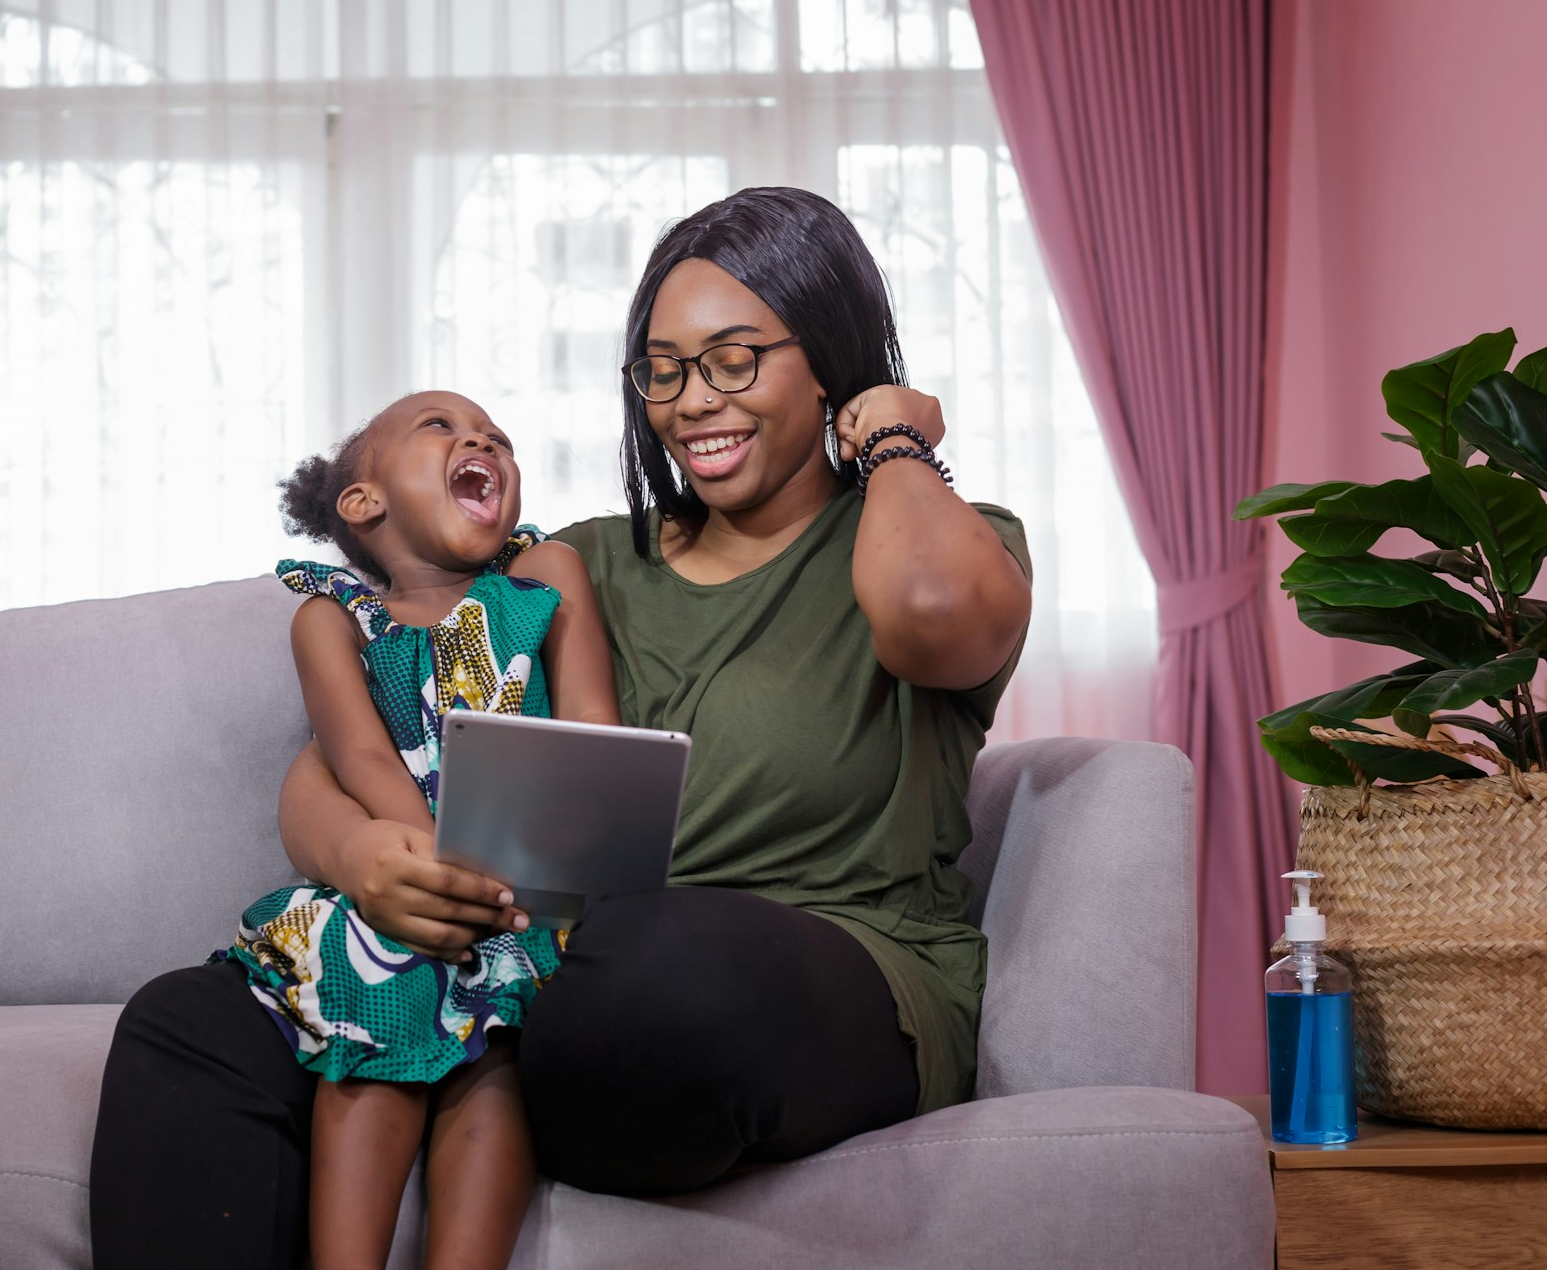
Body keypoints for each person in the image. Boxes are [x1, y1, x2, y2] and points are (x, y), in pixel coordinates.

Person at [88, 186, 1033, 1268]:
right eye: (663, 370)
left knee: (656, 965)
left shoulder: (942, 538)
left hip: (807, 970)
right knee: (186, 1023)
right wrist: (361, 856)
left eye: (732, 359)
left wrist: (893, 437)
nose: (691, 402)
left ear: (823, 354)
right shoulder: (567, 566)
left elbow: (928, 614)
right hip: (546, 974)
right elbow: (356, 746)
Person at [212, 390, 618, 1270]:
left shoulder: (543, 577)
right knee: (375, 1002)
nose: (481, 438)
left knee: (503, 1044)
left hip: (524, 889)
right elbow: (355, 755)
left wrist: (567, 864)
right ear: (364, 501)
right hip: (404, 877)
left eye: (497, 438)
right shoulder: (331, 619)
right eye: (440, 426)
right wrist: (441, 864)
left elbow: (592, 726)